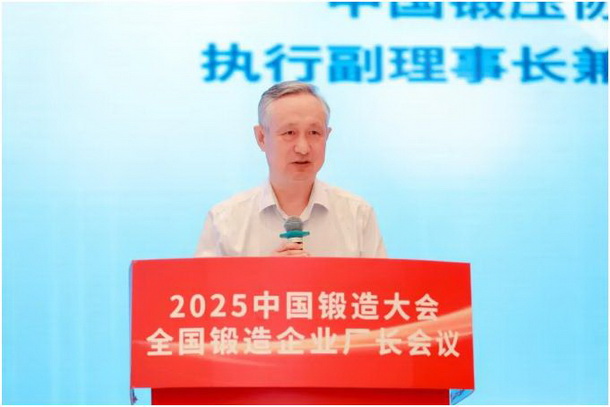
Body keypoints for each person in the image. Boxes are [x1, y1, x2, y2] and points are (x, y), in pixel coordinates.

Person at [195, 81, 387, 258]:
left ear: (327, 136)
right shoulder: (225, 220)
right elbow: (203, 285)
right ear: (261, 137)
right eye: (289, 133)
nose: (303, 148)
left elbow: (381, 285)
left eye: (314, 132)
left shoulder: (358, 215)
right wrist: (260, 276)